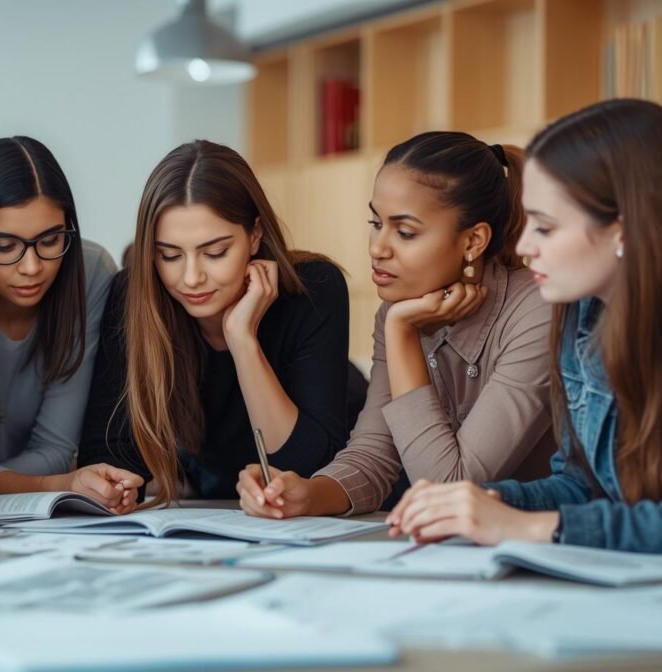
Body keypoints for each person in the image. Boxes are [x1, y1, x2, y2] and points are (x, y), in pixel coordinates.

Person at [387, 99, 662, 559]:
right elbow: (586, 486)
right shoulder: (585, 304)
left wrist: (536, 527)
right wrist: (484, 504)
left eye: (545, 227)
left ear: (623, 227)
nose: (524, 247)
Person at [238, 131, 555, 519]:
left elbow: (448, 488)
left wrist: (402, 334)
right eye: (376, 222)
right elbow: (372, 457)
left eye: (405, 232)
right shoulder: (399, 311)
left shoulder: (538, 311)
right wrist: (305, 493)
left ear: (473, 240)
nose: (377, 247)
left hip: (551, 553)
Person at [79, 140, 350, 506]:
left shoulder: (314, 289)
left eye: (215, 252)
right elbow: (111, 455)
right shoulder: (134, 297)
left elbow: (305, 469)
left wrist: (242, 339)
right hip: (216, 507)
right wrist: (116, 489)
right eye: (169, 255)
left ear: (254, 235)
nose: (191, 277)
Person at [0, 137, 139, 513]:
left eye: (50, 240)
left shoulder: (90, 271)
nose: (32, 267)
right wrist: (54, 485)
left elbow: (56, 451)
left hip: (35, 519)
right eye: (4, 246)